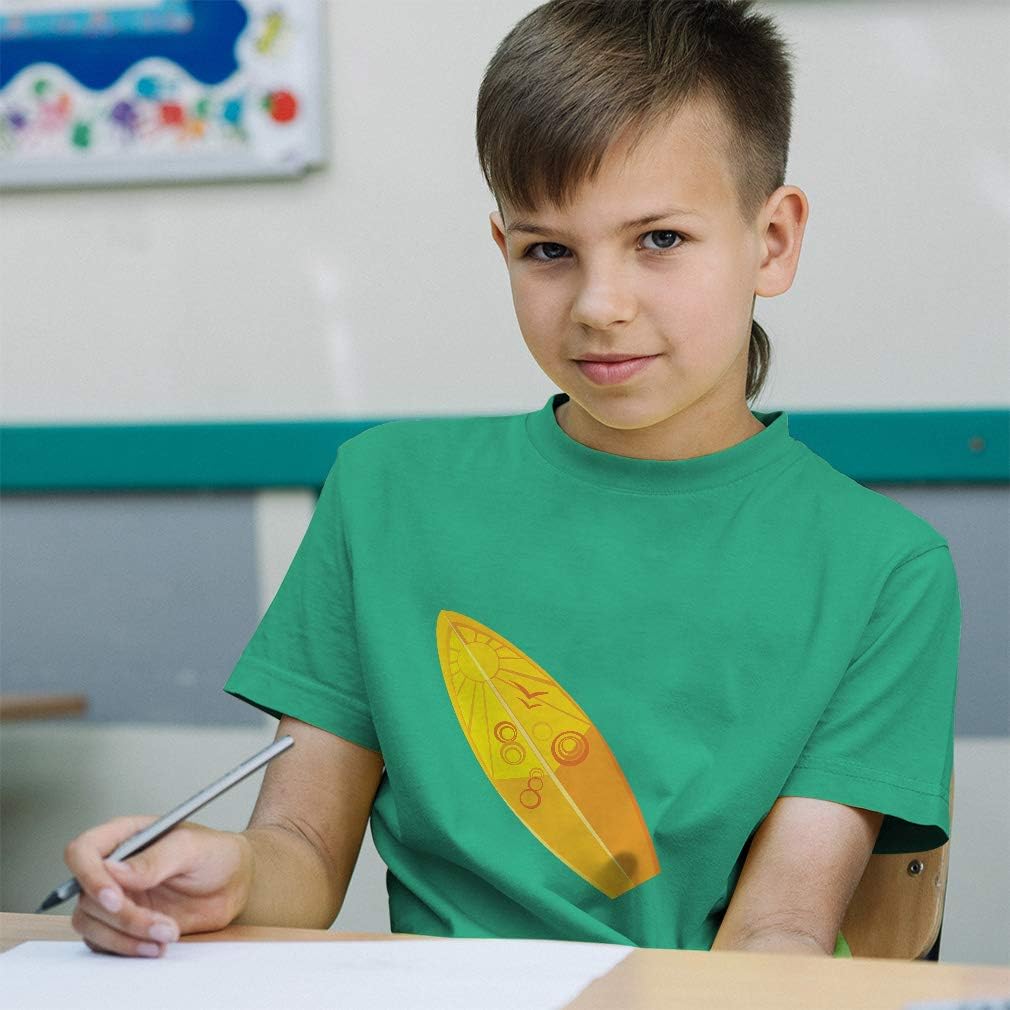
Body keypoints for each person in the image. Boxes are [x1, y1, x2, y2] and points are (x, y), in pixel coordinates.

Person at [64, 0, 960, 960]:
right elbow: (304, 851)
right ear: (505, 250)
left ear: (773, 240)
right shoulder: (384, 493)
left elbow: (778, 928)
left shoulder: (884, 569)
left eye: (659, 239)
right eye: (549, 251)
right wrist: (230, 874)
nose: (599, 305)